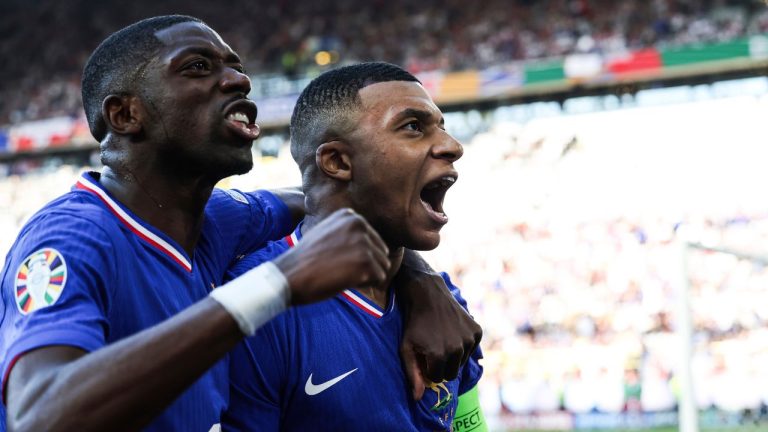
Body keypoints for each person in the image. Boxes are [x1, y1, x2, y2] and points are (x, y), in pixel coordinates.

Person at [0, 17, 480, 431]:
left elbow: (336, 201)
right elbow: (40, 417)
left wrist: (419, 278)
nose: (238, 81)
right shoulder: (71, 238)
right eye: (198, 67)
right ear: (126, 114)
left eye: (237, 67)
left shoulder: (219, 221)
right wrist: (277, 285)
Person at [222, 62, 487, 431]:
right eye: (413, 127)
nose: (452, 146)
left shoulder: (444, 302)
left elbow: (468, 426)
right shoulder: (257, 307)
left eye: (441, 127)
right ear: (338, 161)